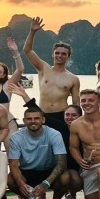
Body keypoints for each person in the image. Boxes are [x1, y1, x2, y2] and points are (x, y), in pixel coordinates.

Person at [23, 17, 81, 147]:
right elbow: (27, 50)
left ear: (68, 56)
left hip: (62, 117)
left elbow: (76, 104)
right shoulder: (43, 68)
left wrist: (76, 122)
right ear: (53, 54)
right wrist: (32, 32)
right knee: (42, 147)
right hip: (43, 115)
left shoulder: (73, 78)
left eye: (63, 54)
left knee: (63, 147)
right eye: (57, 53)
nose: (60, 56)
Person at [6, 100, 68, 199]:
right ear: (24, 121)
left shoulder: (54, 134)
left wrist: (46, 183)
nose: (33, 121)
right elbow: (13, 164)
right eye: (29, 119)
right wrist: (21, 184)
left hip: (48, 170)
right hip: (27, 171)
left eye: (36, 118)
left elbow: (61, 164)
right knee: (10, 180)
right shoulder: (16, 137)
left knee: (66, 177)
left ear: (43, 120)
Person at [0, 38, 25, 108]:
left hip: (6, 118)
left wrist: (15, 52)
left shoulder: (6, 86)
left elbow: (20, 69)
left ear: (3, 75)